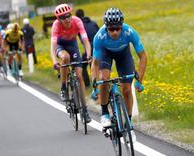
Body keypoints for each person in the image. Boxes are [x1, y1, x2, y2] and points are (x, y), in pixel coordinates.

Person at [91, 8, 147, 140]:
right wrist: (95, 82)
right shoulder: (99, 37)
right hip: (105, 54)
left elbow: (143, 57)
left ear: (122, 26)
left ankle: (129, 124)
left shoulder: (129, 32)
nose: (115, 32)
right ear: (106, 28)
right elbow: (95, 63)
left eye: (117, 28)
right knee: (104, 79)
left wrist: (140, 79)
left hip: (123, 54)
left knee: (127, 89)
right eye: (111, 29)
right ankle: (105, 113)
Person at [50, 3, 92, 123]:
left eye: (68, 16)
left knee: (79, 76)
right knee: (65, 58)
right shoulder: (56, 25)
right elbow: (52, 46)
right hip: (60, 45)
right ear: (59, 19)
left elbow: (85, 41)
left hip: (73, 45)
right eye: (63, 17)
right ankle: (63, 87)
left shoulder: (77, 21)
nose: (67, 19)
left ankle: (84, 110)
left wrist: (88, 55)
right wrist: (54, 61)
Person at [75, 9, 99, 87]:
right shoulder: (93, 23)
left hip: (90, 47)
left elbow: (82, 40)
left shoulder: (80, 26)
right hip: (98, 47)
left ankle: (88, 84)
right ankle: (97, 83)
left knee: (82, 65)